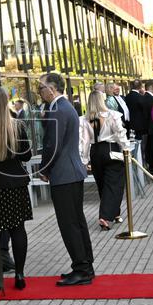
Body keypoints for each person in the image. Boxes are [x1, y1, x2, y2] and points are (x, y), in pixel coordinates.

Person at [37, 73, 94, 286]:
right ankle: (85, 265)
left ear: (52, 89)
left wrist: (44, 169)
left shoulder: (59, 109)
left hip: (64, 174)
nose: (39, 92)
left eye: (41, 88)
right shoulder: (63, 107)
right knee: (76, 221)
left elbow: (53, 144)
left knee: (70, 223)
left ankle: (82, 268)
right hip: (70, 172)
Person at [0, 87, 33, 290]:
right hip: (14, 185)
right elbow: (26, 155)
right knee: (17, 229)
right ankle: (19, 274)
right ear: (5, 103)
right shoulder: (17, 126)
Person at [80, 91, 130, 230]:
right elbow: (120, 134)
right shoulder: (112, 115)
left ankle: (114, 213)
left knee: (102, 184)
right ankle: (105, 216)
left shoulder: (85, 119)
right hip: (111, 149)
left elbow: (84, 142)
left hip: (95, 152)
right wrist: (126, 150)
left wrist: (85, 160)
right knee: (114, 184)